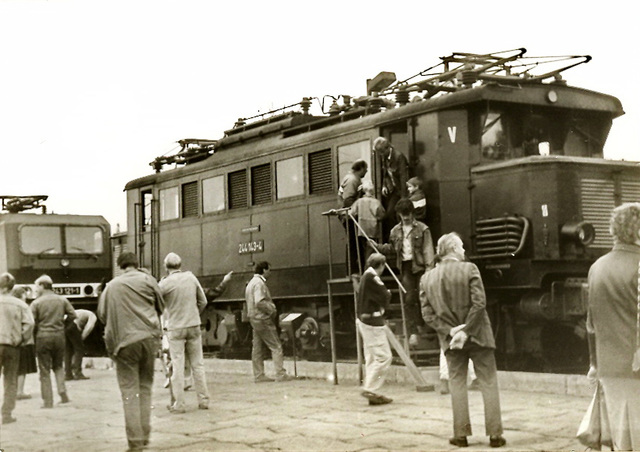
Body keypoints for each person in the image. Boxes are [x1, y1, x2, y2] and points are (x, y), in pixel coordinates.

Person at [420, 232, 506, 448]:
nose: (464, 251)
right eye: (462, 247)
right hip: (478, 336)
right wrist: (466, 331)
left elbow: (427, 315)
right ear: (454, 249)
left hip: (451, 342)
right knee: (488, 382)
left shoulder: (426, 278)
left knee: (457, 384)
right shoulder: (470, 269)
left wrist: (451, 332)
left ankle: (461, 435)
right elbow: (479, 304)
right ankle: (495, 435)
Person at [586, 202, 640, 450]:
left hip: (609, 366)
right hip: (636, 367)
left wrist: (594, 364)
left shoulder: (596, 267)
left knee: (621, 437)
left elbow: (591, 325)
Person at [98, 252, 164, 452]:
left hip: (125, 343)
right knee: (145, 388)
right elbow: (160, 306)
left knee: (129, 392)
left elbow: (102, 315)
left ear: (120, 266)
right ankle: (144, 435)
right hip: (148, 340)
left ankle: (135, 442)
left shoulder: (111, 286)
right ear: (136, 264)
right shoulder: (148, 280)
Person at [159, 252, 222, 413]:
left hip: (175, 328)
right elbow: (204, 301)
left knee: (178, 366)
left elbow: (156, 304)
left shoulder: (164, 283)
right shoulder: (191, 278)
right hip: (194, 325)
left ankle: (179, 404)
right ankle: (203, 401)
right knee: (198, 365)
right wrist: (194, 314)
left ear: (166, 267)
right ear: (180, 265)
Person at [376, 198, 435, 347]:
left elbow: (428, 250)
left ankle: (425, 326)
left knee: (424, 296)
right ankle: (413, 332)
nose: (406, 217)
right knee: (409, 299)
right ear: (399, 215)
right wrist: (377, 246)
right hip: (406, 267)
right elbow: (391, 249)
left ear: (412, 213)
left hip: (421, 267)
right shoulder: (395, 231)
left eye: (408, 213)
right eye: (403, 214)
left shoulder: (423, 229)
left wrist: (429, 269)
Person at [30, 274, 76, 408]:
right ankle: (63, 394)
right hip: (59, 336)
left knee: (44, 369)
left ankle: (48, 401)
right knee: (58, 366)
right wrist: (63, 326)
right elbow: (73, 315)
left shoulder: (36, 303)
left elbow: (31, 322)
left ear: (43, 286)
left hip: (43, 337)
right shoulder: (62, 300)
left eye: (37, 286)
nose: (36, 289)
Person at [245, 261, 292, 383]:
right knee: (276, 346)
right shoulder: (259, 284)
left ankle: (259, 375)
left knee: (257, 348)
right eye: (269, 270)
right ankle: (281, 374)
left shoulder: (251, 283)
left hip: (254, 319)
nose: (270, 273)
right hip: (262, 319)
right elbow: (259, 302)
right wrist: (272, 310)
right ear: (264, 270)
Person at [357, 253, 393, 406]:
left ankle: (373, 392)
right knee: (384, 357)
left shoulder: (365, 277)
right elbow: (385, 295)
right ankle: (371, 388)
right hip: (372, 322)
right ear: (381, 265)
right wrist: (389, 295)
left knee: (372, 357)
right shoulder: (373, 277)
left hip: (364, 320)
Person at [0, 273, 34, 424]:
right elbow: (29, 324)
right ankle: (6, 414)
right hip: (12, 346)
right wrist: (21, 339)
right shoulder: (20, 304)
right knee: (10, 380)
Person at [373, 137, 409, 238]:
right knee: (389, 214)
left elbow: (403, 177)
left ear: (387, 148)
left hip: (401, 191)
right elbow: (386, 173)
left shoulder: (399, 157)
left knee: (398, 214)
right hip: (394, 191)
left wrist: (404, 198)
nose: (380, 155)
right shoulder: (384, 157)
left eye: (380, 152)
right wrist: (384, 185)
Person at [338, 159, 368, 274]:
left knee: (354, 243)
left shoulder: (352, 178)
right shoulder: (352, 180)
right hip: (350, 217)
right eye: (365, 168)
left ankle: (354, 270)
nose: (367, 170)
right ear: (360, 168)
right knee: (354, 243)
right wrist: (355, 213)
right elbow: (348, 200)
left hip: (349, 216)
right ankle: (353, 271)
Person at [349, 180, 386, 272]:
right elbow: (381, 215)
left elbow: (351, 213)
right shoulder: (376, 202)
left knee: (365, 250)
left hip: (362, 229)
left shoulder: (359, 202)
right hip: (373, 229)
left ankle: (366, 270)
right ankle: (370, 269)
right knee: (371, 250)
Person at [11, 286, 38, 400]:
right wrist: (24, 337)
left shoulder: (9, 306)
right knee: (23, 368)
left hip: (10, 341)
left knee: (13, 368)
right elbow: (30, 323)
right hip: (23, 342)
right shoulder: (23, 307)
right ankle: (20, 392)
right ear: (22, 295)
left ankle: (13, 391)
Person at [64, 308, 97, 380]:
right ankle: (77, 372)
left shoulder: (81, 312)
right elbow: (89, 327)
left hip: (65, 325)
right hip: (74, 326)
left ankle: (67, 374)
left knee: (68, 350)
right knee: (79, 349)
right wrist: (81, 338)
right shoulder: (93, 316)